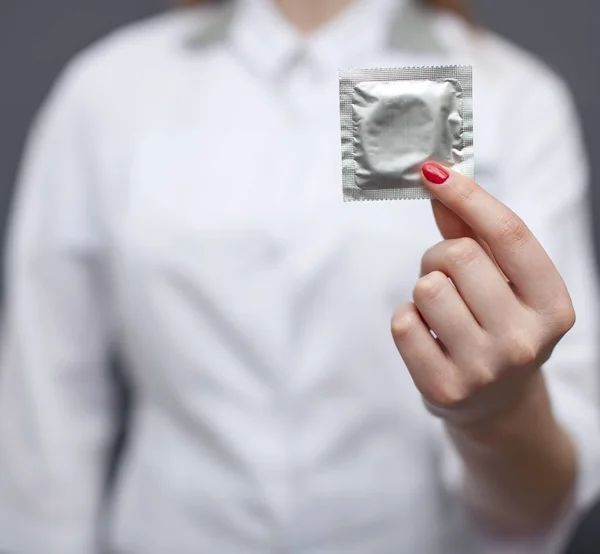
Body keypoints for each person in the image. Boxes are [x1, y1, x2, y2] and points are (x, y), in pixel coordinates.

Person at [0, 0, 599, 552]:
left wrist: (497, 412)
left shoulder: (513, 96)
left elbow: (540, 501)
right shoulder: (109, 89)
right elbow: (46, 408)